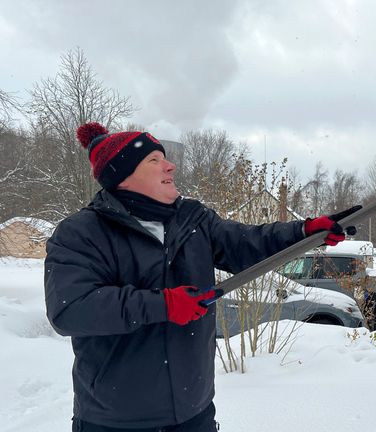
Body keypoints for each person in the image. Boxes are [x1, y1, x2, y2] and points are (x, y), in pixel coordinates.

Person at [44, 122, 357, 431]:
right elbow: (71, 308)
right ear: (122, 175)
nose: (170, 166)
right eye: (154, 160)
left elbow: (247, 243)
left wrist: (303, 233)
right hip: (115, 421)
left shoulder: (193, 219)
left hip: (194, 415)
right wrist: (163, 305)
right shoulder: (83, 232)